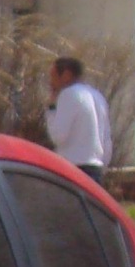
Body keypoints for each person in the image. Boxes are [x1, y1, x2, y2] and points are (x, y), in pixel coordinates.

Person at [45, 55, 112, 186]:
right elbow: (106, 139)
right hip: (96, 167)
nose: (50, 82)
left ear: (66, 75)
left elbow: (58, 137)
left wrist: (51, 109)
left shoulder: (69, 94)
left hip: (74, 168)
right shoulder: (97, 96)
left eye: (53, 76)